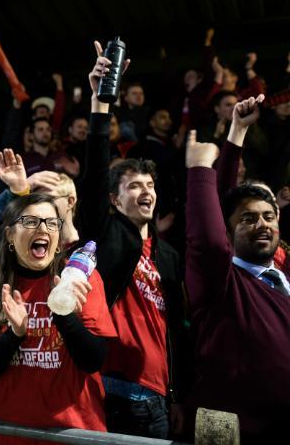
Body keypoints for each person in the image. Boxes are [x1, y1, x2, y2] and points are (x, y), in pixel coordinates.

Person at [80, 41, 186, 439]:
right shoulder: (107, 234)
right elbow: (92, 177)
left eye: (150, 185)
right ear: (113, 199)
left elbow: (176, 330)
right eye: (133, 185)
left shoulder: (169, 255)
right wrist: (99, 103)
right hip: (117, 390)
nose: (146, 191)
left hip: (160, 397)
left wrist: (177, 394)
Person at [0, 194, 116, 444]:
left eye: (51, 222)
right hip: (14, 433)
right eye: (31, 221)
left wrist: (65, 315)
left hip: (76, 431)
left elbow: (94, 360)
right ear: (10, 235)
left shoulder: (80, 278)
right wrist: (15, 334)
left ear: (57, 239)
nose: (43, 228)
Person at [185, 96, 290, 442]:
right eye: (248, 219)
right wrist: (201, 170)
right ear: (229, 230)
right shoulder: (222, 282)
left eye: (269, 216)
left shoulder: (283, 281)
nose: (261, 224)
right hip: (231, 431)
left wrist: (238, 131)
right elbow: (211, 240)